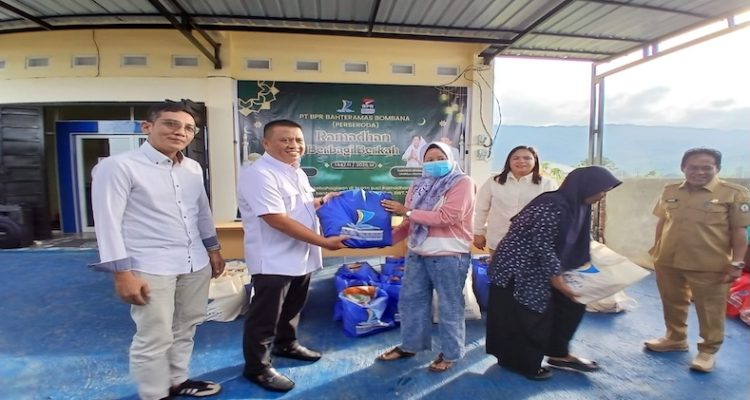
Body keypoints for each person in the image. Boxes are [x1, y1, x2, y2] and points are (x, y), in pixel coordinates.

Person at [90, 101, 225, 400]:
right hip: (149, 266)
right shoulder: (118, 166)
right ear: (147, 126)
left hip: (194, 262)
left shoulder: (192, 168)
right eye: (171, 124)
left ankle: (177, 380)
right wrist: (121, 273)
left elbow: (202, 212)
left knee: (186, 325)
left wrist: (213, 250)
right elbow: (108, 223)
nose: (180, 132)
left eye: (188, 128)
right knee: (154, 335)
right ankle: (154, 393)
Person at [237, 119, 348, 392]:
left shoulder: (296, 172)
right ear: (266, 143)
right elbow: (277, 219)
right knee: (265, 316)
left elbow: (298, 208)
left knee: (292, 308)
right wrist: (324, 242)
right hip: (273, 260)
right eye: (285, 140)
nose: (293, 145)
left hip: (301, 256)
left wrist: (322, 201)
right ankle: (257, 368)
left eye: (298, 140)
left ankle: (286, 344)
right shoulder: (259, 174)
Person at [486, 166, 621, 380]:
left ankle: (558, 353)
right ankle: (519, 362)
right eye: (601, 189)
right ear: (586, 186)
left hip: (548, 264)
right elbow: (541, 244)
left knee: (572, 305)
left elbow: (579, 239)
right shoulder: (552, 205)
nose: (603, 194)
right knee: (530, 313)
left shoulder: (580, 206)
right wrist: (557, 280)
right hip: (519, 267)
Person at [645, 148, 750, 372]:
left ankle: (707, 351)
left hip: (710, 264)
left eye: (706, 167)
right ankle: (675, 338)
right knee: (672, 301)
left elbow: (740, 231)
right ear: (683, 168)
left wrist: (737, 262)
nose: (699, 172)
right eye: (693, 167)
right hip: (668, 260)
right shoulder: (670, 190)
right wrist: (656, 250)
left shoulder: (734, 194)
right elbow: (663, 222)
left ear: (717, 168)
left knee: (710, 309)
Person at [377, 141, 475, 372]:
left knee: (450, 306)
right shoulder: (418, 184)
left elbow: (448, 217)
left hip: (449, 255)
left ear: (451, 158)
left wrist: (407, 211)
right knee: (411, 302)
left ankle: (451, 353)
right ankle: (410, 345)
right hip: (417, 252)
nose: (434, 163)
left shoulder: (462, 182)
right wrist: (379, 239)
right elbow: (409, 222)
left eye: (440, 158)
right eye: (429, 160)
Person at [473, 145, 558, 254]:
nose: (521, 161)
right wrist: (478, 232)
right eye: (516, 158)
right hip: (499, 240)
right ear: (509, 161)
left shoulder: (547, 184)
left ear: (535, 161)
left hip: (534, 243)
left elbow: (554, 214)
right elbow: (480, 209)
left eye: (527, 158)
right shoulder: (494, 182)